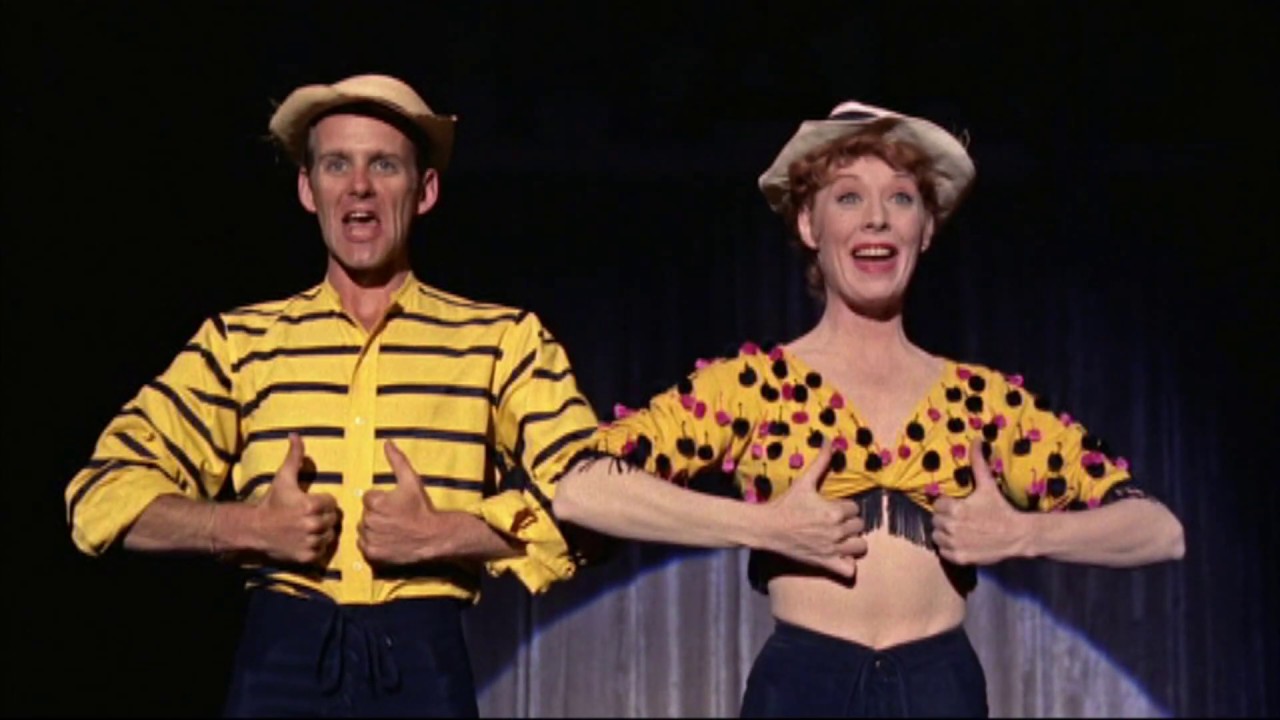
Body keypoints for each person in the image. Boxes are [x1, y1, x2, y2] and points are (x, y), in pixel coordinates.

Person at [550, 100, 1186, 718]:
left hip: (940, 686)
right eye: (849, 196)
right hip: (804, 684)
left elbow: (1159, 531)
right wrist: (765, 527)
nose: (877, 218)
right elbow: (581, 491)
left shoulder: (981, 401)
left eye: (902, 198)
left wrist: (1024, 533)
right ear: (809, 225)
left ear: (926, 228)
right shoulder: (755, 387)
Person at [63, 73, 604, 717]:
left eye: (384, 165)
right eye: (336, 164)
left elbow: (595, 499)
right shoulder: (242, 342)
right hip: (281, 655)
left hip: (423, 659)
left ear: (425, 190)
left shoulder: (501, 340)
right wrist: (249, 526)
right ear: (307, 188)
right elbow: (99, 495)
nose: (359, 187)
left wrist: (444, 535)